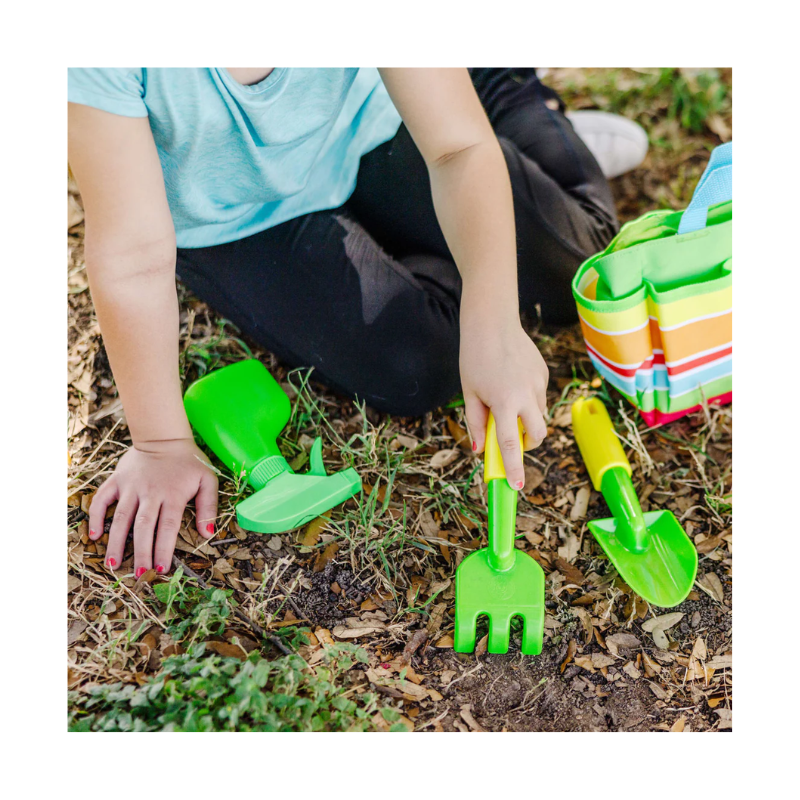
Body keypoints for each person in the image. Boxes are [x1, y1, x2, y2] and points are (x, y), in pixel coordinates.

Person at [68, 67, 646, 577]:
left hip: (370, 123)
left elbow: (458, 150)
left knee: (578, 271)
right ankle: (454, 224)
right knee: (421, 365)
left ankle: (496, 84)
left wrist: (493, 319)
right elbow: (134, 257)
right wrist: (162, 442)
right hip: (229, 210)